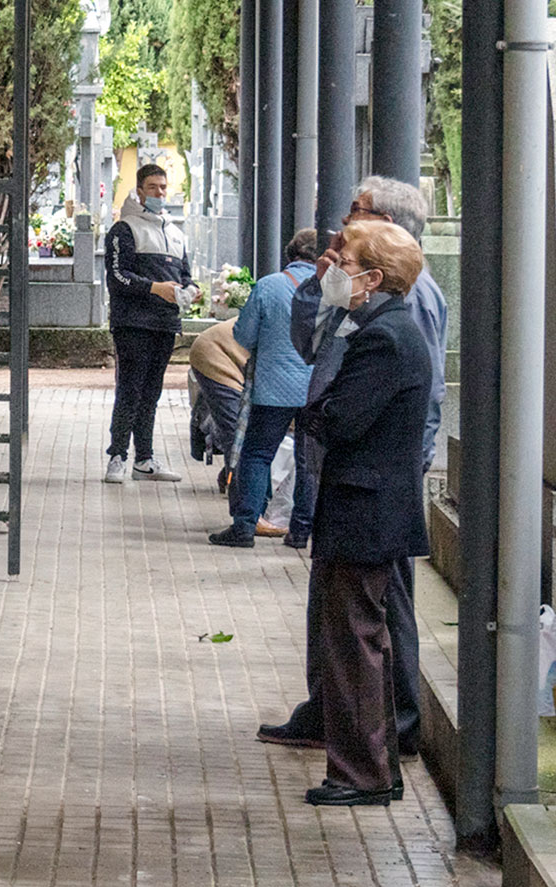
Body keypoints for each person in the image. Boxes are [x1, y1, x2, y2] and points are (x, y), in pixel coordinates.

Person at [259, 177, 447, 756]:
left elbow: (426, 391)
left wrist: (407, 462)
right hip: (345, 466)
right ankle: (330, 711)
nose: (342, 226)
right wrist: (320, 287)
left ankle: (396, 724)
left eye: (356, 216)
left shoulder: (404, 307)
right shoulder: (356, 298)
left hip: (376, 475)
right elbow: (310, 343)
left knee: (378, 607)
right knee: (338, 605)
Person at [293, 220, 432, 806]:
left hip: (364, 509)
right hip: (365, 507)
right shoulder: (383, 328)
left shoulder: (383, 336)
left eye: (344, 261)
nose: (333, 269)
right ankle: (368, 768)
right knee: (351, 638)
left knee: (353, 643)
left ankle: (362, 773)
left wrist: (315, 411)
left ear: (373, 278)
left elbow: (341, 418)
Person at [210, 230, 318, 548]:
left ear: (290, 254)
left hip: (273, 389)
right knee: (307, 458)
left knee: (257, 454)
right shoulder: (332, 289)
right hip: (315, 388)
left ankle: (245, 526)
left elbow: (243, 336)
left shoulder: (269, 286)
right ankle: (300, 531)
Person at [103, 163, 194, 484]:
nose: (160, 193)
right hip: (133, 325)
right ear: (139, 190)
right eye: (153, 187)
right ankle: (117, 456)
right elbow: (117, 277)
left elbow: (185, 276)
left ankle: (144, 459)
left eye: (163, 187)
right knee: (130, 389)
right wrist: (156, 289)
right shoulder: (124, 229)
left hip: (165, 325)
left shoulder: (176, 233)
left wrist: (190, 291)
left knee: (151, 393)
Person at [187, 318, 248, 495]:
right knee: (237, 431)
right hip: (215, 354)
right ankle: (243, 505)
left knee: (249, 433)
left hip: (237, 355)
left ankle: (232, 480)